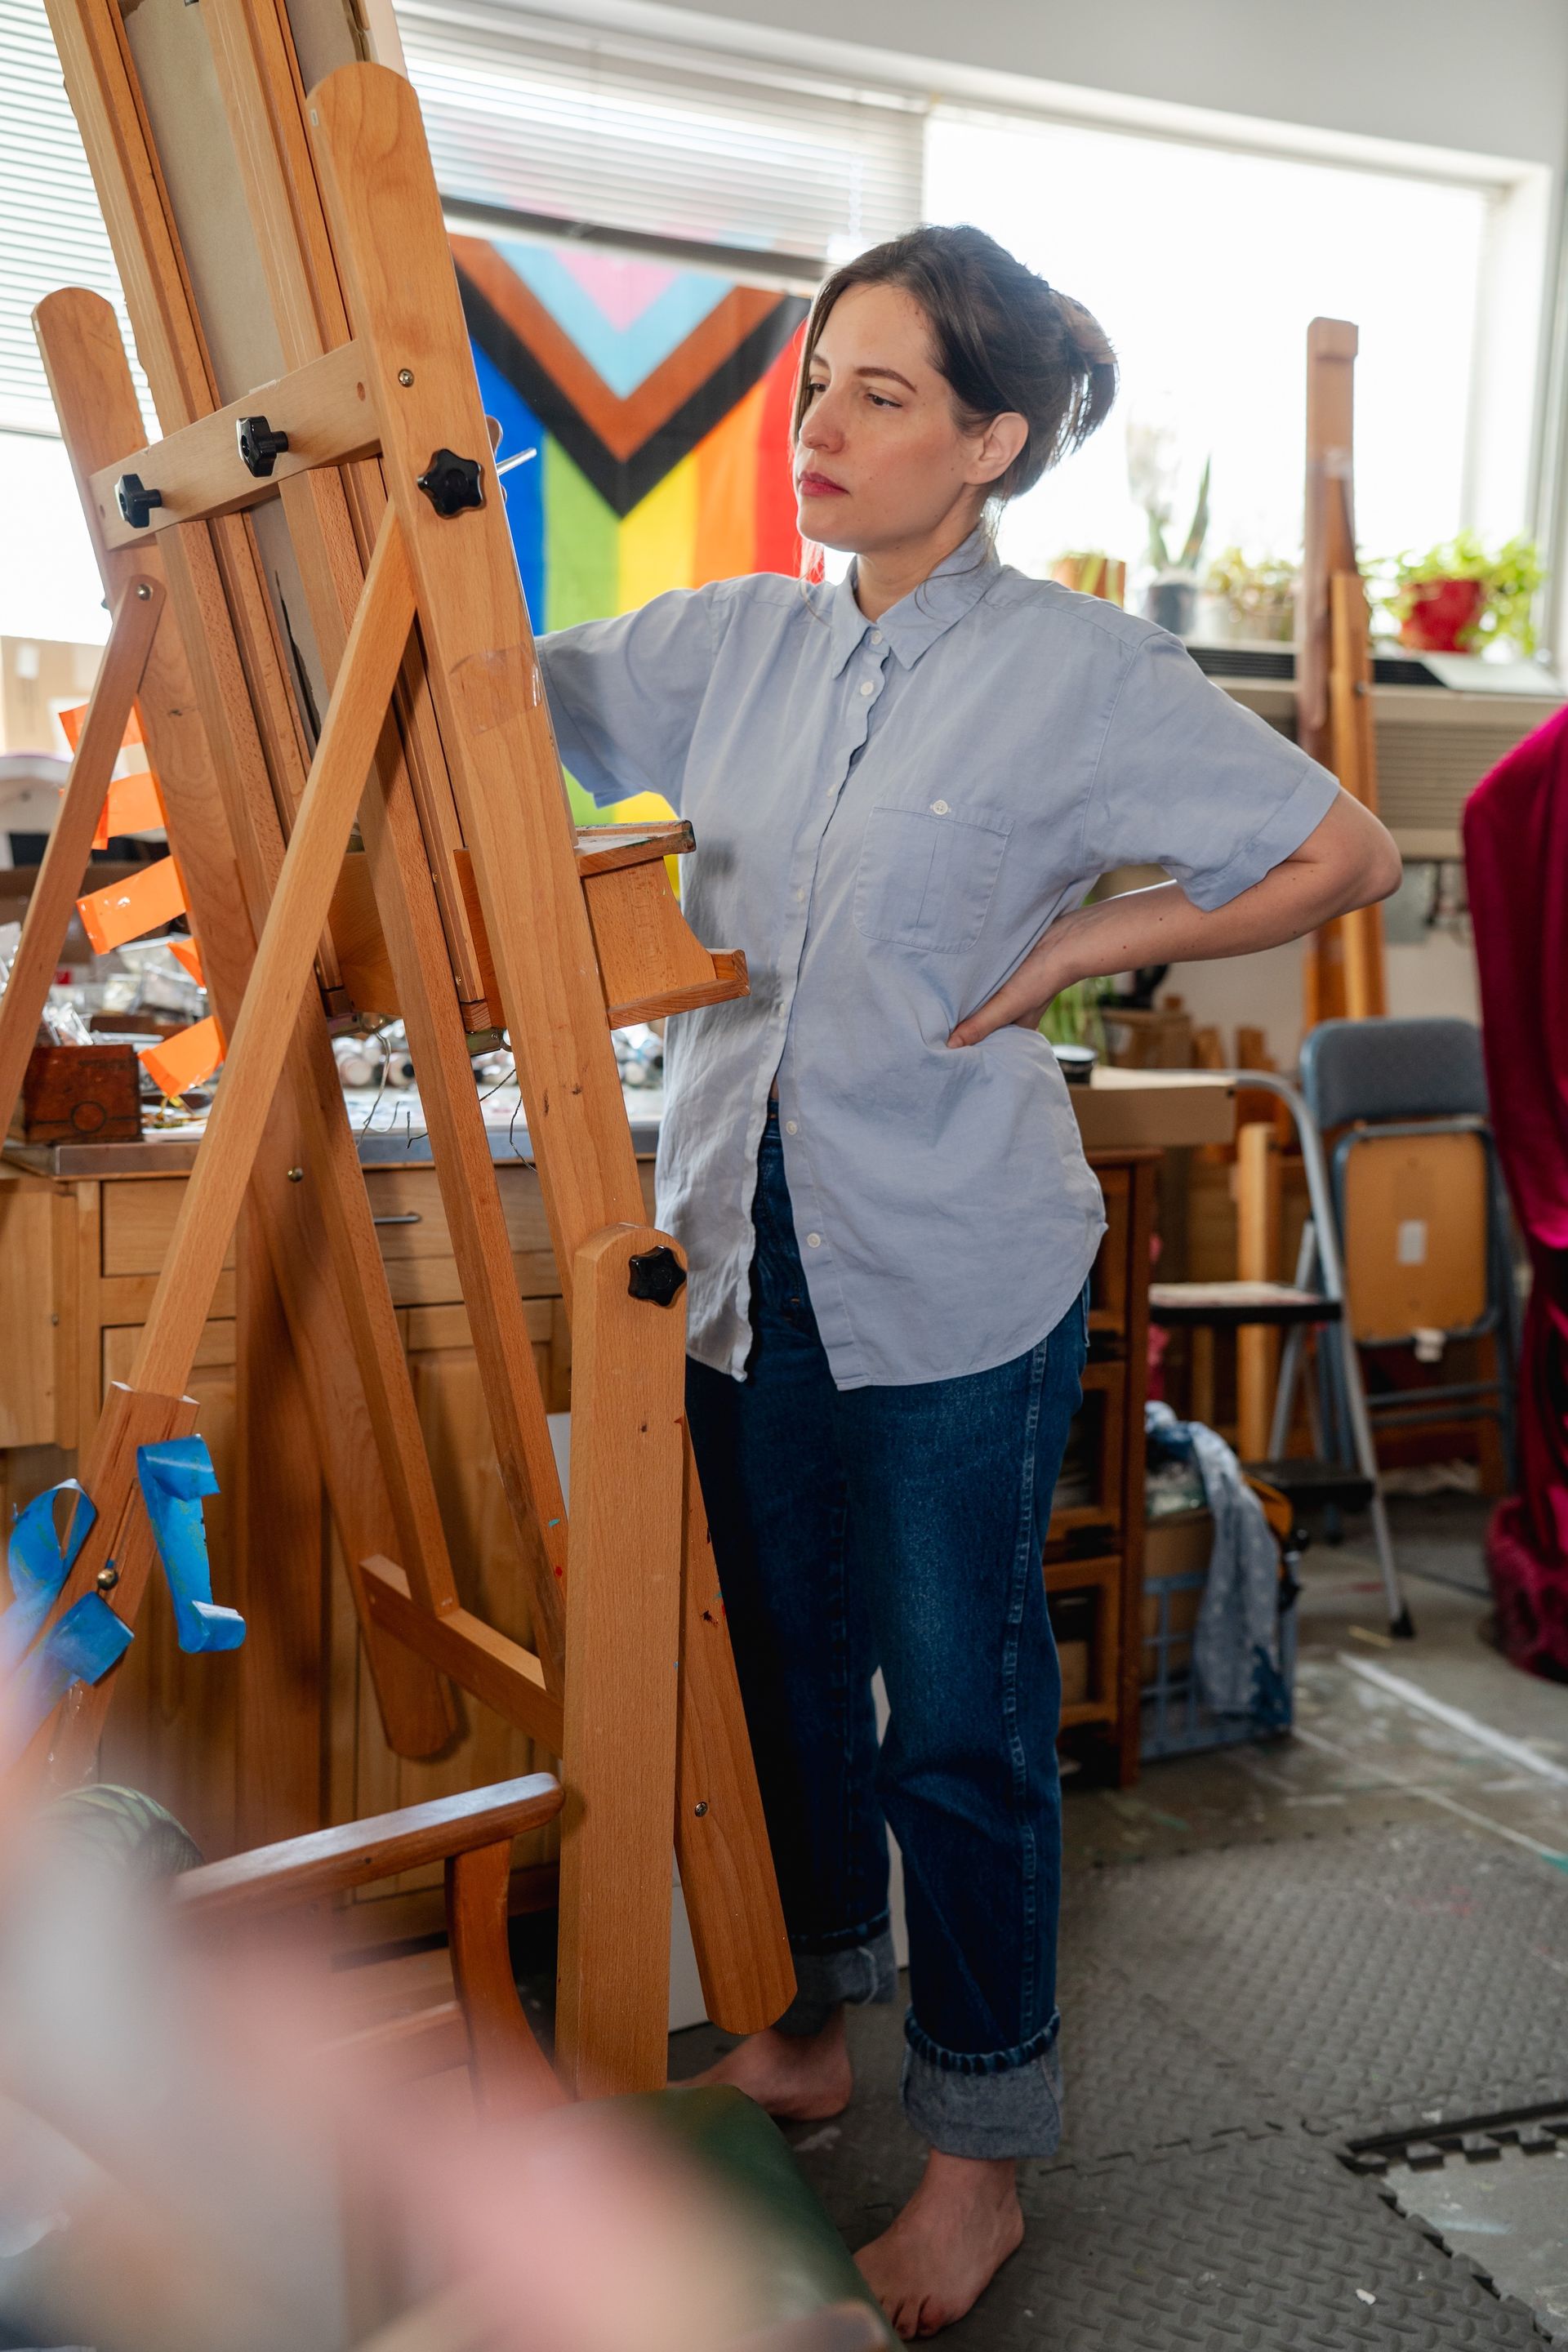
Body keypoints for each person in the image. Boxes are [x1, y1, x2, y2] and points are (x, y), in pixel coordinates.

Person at [537, 225, 1400, 2340]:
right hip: (744, 1250)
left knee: (964, 1720)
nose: (819, 429)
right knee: (781, 1685)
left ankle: (985, 2152)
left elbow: (1345, 855)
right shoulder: (727, 641)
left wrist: (1085, 950)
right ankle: (816, 2027)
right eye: (816, 385)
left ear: (995, 442)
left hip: (956, 1262)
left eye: (883, 395)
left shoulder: (1083, 674)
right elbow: (492, 691)